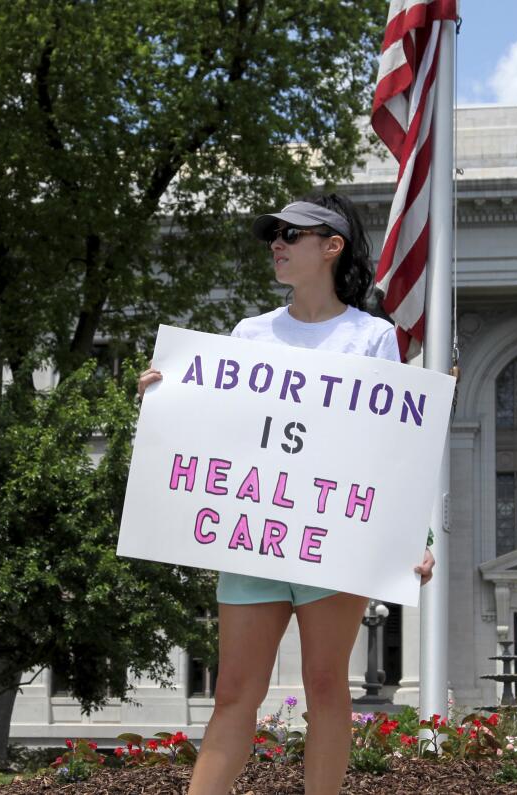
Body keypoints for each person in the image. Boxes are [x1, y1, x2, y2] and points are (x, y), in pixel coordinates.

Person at [137, 193, 435, 795]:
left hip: (335, 541)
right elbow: (224, 425)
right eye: (273, 233)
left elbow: (392, 446)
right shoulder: (251, 333)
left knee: (327, 687)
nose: (276, 242)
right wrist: (168, 397)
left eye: (292, 234)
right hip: (256, 539)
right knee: (232, 693)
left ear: (332, 246)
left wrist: (416, 537)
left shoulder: (372, 338)